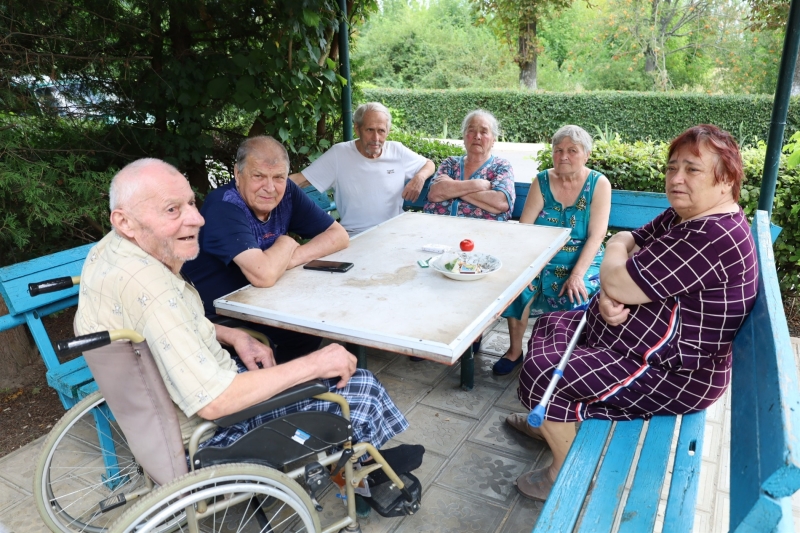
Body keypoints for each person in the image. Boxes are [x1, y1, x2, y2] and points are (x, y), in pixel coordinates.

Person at [75, 158, 413, 466]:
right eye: (172, 210)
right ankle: (359, 470)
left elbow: (162, 325)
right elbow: (215, 402)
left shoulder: (110, 253)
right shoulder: (153, 289)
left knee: (287, 358)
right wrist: (315, 363)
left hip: (167, 406)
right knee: (359, 385)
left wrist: (231, 334)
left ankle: (364, 463)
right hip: (212, 433)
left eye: (191, 203)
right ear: (124, 221)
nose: (197, 218)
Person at [507, 124, 759, 502]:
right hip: (650, 342)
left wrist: (616, 282)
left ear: (726, 180)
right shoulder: (685, 216)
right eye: (672, 167)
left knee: (545, 374)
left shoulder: (713, 234)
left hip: (679, 372)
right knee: (552, 322)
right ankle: (553, 423)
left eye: (692, 170)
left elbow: (621, 268)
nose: (676, 179)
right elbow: (625, 240)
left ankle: (567, 472)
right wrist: (615, 279)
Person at [182, 136, 349, 361]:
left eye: (278, 177)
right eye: (258, 176)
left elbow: (338, 236)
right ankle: (282, 383)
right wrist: (285, 243)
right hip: (217, 315)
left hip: (260, 302)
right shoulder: (224, 206)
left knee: (315, 322)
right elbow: (264, 274)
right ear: (237, 174)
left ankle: (289, 383)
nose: (270, 188)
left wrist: (288, 258)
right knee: (305, 327)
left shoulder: (287, 191)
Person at [492, 125, 611, 376]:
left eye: (572, 150)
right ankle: (515, 351)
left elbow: (596, 235)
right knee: (519, 287)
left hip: (583, 257)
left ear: (586, 155)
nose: (563, 156)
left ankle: (561, 357)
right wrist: (524, 267)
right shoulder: (543, 180)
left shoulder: (598, 184)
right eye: (558, 150)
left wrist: (577, 274)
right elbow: (526, 229)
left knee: (578, 291)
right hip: (542, 254)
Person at [290, 102, 435, 235]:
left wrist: (419, 177)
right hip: (355, 235)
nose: (376, 138)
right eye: (370, 130)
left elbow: (429, 164)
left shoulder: (397, 150)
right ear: (357, 129)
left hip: (394, 232)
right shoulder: (339, 154)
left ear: (388, 131)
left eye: (381, 131)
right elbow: (299, 180)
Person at [423, 109, 515, 221]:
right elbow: (434, 193)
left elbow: (501, 202)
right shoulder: (450, 163)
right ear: (464, 135)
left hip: (480, 233)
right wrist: (478, 184)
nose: (477, 136)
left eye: (484, 132)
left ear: (493, 139)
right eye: (471, 130)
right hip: (436, 228)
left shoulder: (501, 166)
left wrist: (451, 188)